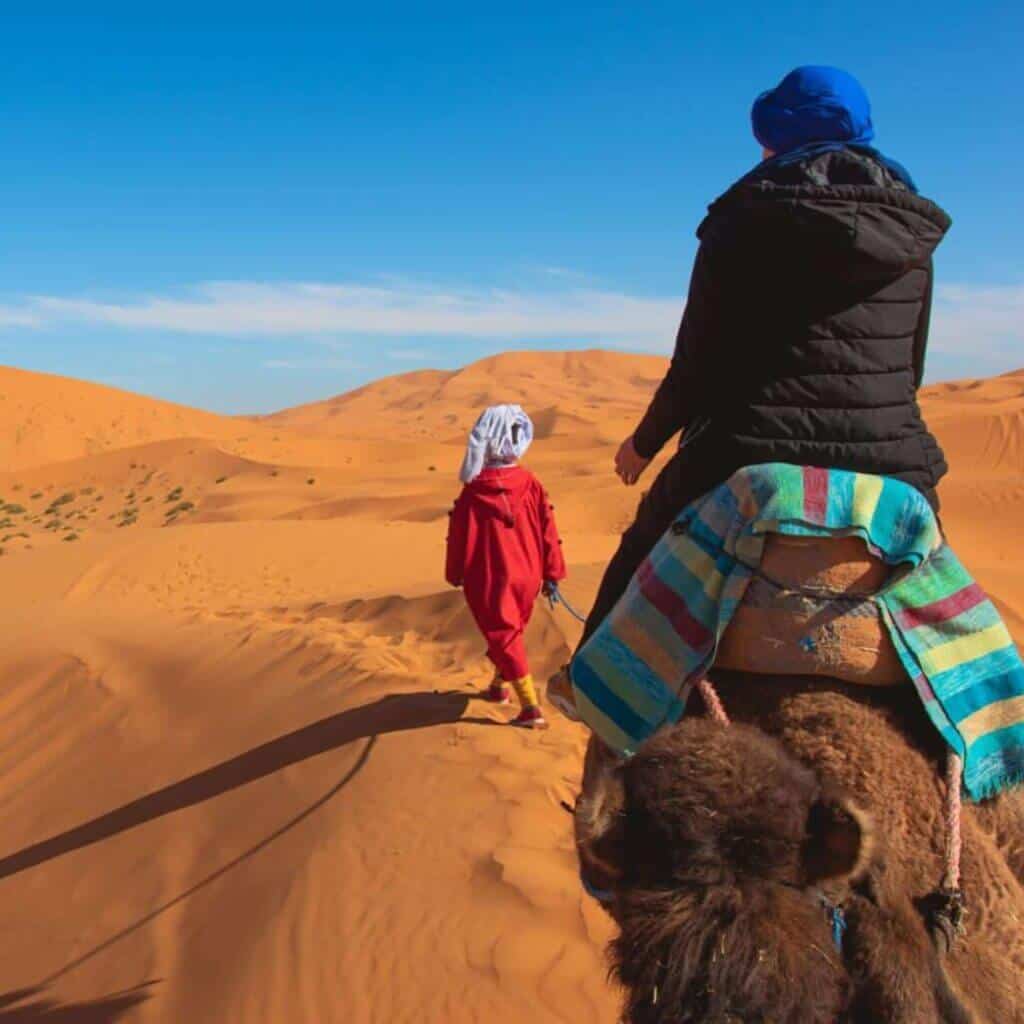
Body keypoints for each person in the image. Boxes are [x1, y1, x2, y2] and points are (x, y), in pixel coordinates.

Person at [579, 65, 951, 650]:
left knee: (639, 553)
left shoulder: (739, 219)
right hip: (888, 451)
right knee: (944, 593)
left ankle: (588, 680)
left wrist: (644, 444)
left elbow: (696, 364)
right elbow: (911, 366)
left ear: (777, 133)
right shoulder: (910, 232)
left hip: (747, 444)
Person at [446, 404, 566, 728]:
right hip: (528, 574)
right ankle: (498, 687)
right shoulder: (531, 483)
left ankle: (531, 709)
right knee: (508, 633)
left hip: (491, 577)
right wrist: (552, 572)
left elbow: (459, 536)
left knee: (505, 634)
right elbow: (548, 529)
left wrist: (454, 572)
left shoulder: (473, 492)